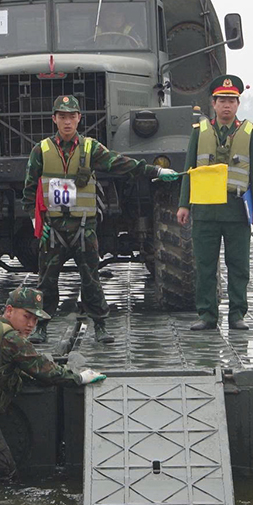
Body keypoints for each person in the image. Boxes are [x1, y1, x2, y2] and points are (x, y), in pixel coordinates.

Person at [21, 95, 177, 344]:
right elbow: (29, 189)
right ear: (54, 119)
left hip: (84, 228)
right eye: (62, 117)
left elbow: (121, 163)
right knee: (46, 281)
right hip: (53, 228)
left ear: (79, 119)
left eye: (72, 117)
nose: (67, 122)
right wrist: (35, 221)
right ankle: (41, 326)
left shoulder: (90, 148)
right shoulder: (41, 151)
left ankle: (100, 325)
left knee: (91, 279)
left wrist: (155, 171)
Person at [0, 285, 107, 483]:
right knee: (6, 473)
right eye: (27, 316)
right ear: (9, 311)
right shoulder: (11, 338)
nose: (31, 324)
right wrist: (80, 377)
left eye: (35, 320)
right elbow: (46, 371)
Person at [175, 74, 253, 331]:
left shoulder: (250, 132)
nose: (227, 106)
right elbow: (188, 169)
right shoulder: (199, 131)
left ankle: (237, 314)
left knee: (239, 266)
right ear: (213, 104)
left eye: (232, 101)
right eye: (222, 100)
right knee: (204, 266)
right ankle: (207, 315)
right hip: (205, 210)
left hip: (237, 210)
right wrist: (184, 204)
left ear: (238, 104)